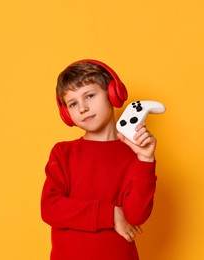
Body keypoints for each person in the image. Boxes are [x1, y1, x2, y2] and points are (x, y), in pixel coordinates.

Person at [41, 59, 158, 260]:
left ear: (113, 94)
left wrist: (146, 160)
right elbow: (50, 208)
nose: (83, 108)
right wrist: (111, 214)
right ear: (66, 113)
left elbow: (137, 216)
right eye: (73, 103)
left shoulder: (134, 154)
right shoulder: (63, 153)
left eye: (90, 95)